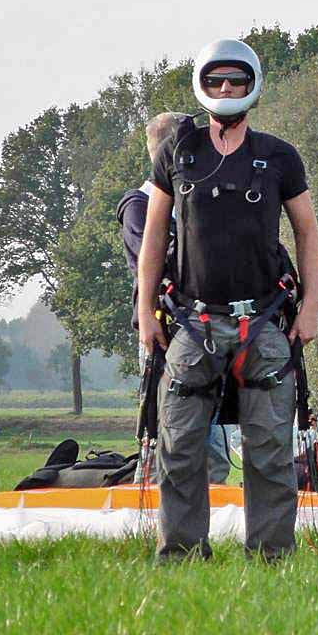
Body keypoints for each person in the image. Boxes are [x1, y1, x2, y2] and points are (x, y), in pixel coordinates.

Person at [137, 38, 318, 561]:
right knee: (179, 446)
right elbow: (155, 234)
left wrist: (311, 306)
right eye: (216, 80)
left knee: (270, 450)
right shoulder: (179, 151)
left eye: (235, 80)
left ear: (251, 85)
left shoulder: (279, 156)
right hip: (191, 321)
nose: (225, 88)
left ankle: (271, 557)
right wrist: (144, 309)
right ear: (202, 85)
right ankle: (181, 556)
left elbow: (307, 232)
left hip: (262, 321)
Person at [118, 111, 228, 486]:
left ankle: (214, 498)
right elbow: (157, 261)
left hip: (208, 327)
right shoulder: (139, 206)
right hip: (165, 331)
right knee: (164, 428)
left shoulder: (197, 199)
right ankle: (152, 501)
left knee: (212, 432)